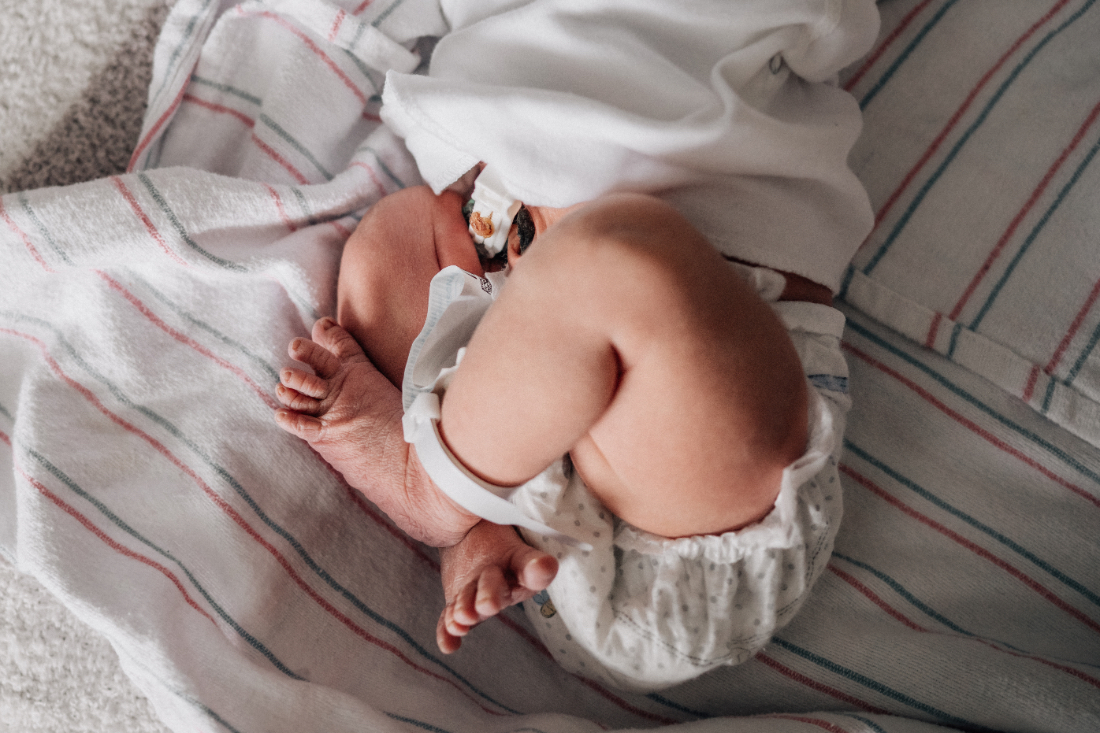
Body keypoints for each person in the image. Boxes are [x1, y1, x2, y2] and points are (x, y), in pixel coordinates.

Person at [274, 0, 877, 691]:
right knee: (397, 235)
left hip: (692, 424)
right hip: (497, 288)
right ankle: (482, 510)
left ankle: (433, 487)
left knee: (619, 261)